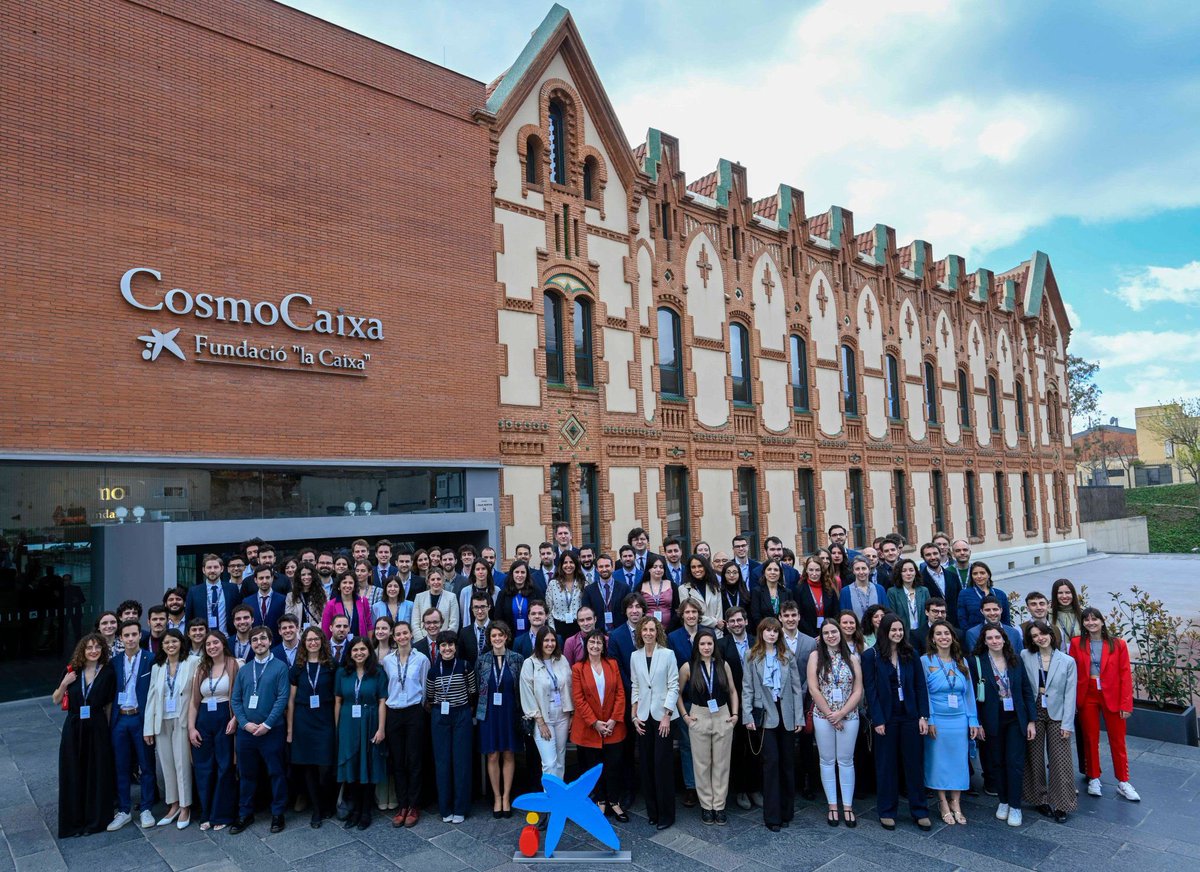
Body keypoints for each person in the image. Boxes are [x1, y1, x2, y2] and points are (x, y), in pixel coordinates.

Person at [862, 613, 930, 831]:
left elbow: (920, 686)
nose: (898, 633)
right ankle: (887, 811)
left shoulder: (911, 653)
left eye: (900, 630)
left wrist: (923, 716)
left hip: (910, 715)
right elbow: (870, 690)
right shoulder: (871, 656)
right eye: (893, 630)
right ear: (884, 631)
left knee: (914, 764)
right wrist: (877, 719)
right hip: (886, 717)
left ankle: (919, 810)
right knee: (886, 765)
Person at [741, 616, 805, 832]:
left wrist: (799, 718)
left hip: (786, 714)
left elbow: (796, 688)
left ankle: (786, 812)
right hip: (765, 714)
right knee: (771, 763)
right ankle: (772, 816)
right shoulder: (751, 655)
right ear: (761, 632)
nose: (771, 634)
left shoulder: (787, 655)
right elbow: (747, 687)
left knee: (787, 763)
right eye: (768, 630)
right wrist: (748, 716)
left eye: (775, 631)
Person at [970, 623, 1036, 826]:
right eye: (990, 638)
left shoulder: (1015, 660)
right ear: (984, 641)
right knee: (997, 762)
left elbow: (1026, 690)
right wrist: (978, 723)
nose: (994, 641)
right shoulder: (977, 662)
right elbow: (972, 695)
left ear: (1004, 639)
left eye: (997, 637)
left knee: (1014, 762)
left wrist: (1031, 720)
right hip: (992, 717)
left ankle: (1015, 806)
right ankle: (1004, 801)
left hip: (1016, 717)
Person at [1070, 607, 1139, 801]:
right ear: (1083, 623)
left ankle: (1123, 781)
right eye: (1087, 620)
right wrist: (1073, 701)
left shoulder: (1118, 644)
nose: (1091, 623)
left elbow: (1125, 675)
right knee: (1090, 738)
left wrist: (1126, 704)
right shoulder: (1076, 643)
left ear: (1102, 621)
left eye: (1095, 619)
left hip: (1113, 695)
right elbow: (1072, 672)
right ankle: (1093, 777)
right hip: (1087, 694)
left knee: (1118, 739)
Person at [54, 633, 116, 837]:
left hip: (97, 726)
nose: (93, 651)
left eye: (97, 647)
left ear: (102, 650)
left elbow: (108, 705)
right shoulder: (72, 671)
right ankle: (74, 823)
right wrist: (65, 683)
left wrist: (107, 731)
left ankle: (94, 821)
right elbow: (56, 699)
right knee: (73, 771)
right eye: (89, 647)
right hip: (74, 727)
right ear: (83, 650)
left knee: (95, 772)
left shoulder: (108, 672)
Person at [230, 625, 290, 834]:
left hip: (271, 731)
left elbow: (282, 698)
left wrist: (267, 724)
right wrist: (244, 723)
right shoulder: (245, 669)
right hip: (246, 732)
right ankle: (245, 813)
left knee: (276, 773)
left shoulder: (280, 667)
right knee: (246, 774)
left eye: (263, 639)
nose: (259, 643)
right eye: (254, 640)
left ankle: (278, 813)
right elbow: (236, 699)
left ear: (270, 641)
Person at [921, 620, 982, 826]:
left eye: (947, 633)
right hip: (938, 719)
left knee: (958, 762)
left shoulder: (961, 661)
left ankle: (956, 802)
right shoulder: (925, 661)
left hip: (959, 720)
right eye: (938, 634)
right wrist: (930, 719)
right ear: (932, 638)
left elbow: (969, 694)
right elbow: (924, 694)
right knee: (938, 762)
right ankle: (942, 802)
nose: (943, 637)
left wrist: (972, 720)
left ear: (953, 637)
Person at [676, 628, 739, 825]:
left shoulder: (723, 665)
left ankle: (719, 805)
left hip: (722, 715)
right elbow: (677, 693)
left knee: (721, 763)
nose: (706, 647)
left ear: (714, 645)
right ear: (697, 646)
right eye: (702, 644)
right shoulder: (688, 667)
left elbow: (732, 691)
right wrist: (685, 716)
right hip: (699, 715)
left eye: (709, 643)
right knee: (702, 764)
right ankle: (706, 806)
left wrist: (735, 715)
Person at [1020, 620, 1078, 822]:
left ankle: (1063, 804)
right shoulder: (1025, 656)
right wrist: (1027, 718)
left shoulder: (1067, 661)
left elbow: (1070, 694)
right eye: (1035, 636)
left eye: (1043, 634)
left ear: (1051, 635)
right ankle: (1040, 799)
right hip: (1034, 710)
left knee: (1061, 759)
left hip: (1058, 714)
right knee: (1034, 757)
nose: (1040, 638)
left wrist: (1067, 724)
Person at [808, 620, 863, 827]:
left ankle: (847, 806)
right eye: (826, 633)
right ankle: (832, 805)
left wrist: (841, 713)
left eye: (834, 632)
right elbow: (813, 688)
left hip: (848, 715)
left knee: (846, 760)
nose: (831, 636)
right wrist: (831, 714)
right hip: (824, 716)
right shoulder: (815, 657)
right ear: (821, 637)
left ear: (840, 633)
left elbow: (858, 690)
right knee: (827, 760)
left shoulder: (852, 657)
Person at [571, 628, 628, 821]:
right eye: (592, 642)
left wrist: (613, 719)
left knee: (614, 766)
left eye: (599, 643)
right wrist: (595, 723)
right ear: (586, 645)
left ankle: (614, 802)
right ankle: (600, 801)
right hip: (590, 728)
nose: (595, 646)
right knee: (594, 768)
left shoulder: (612, 664)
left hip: (613, 726)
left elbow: (620, 693)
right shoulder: (578, 668)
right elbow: (579, 699)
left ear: (604, 646)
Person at [631, 615, 679, 830]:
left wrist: (667, 714)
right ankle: (653, 812)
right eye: (645, 630)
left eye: (652, 629)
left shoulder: (667, 654)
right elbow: (635, 686)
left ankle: (666, 814)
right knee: (646, 765)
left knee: (662, 765)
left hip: (662, 718)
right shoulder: (635, 656)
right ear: (640, 633)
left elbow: (674, 685)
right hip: (643, 717)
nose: (648, 633)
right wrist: (634, 716)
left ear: (657, 631)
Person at [143, 628, 195, 828]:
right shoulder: (158, 667)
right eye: (166, 642)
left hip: (181, 720)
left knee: (182, 764)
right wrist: (148, 728)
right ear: (162, 646)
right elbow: (151, 697)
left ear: (181, 643)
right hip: (162, 720)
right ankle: (173, 804)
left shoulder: (192, 662)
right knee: (166, 764)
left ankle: (185, 806)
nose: (170, 645)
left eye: (174, 641)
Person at [334, 636, 387, 829]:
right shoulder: (342, 673)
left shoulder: (378, 672)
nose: (359, 653)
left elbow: (382, 701)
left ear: (369, 651)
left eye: (363, 649)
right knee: (352, 766)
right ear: (350, 653)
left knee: (368, 765)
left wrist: (381, 728)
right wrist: (337, 728)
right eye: (355, 650)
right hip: (348, 723)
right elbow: (338, 702)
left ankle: (366, 812)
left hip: (370, 721)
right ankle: (355, 810)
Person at [109, 620, 157, 831]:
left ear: (140, 635)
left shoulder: (151, 659)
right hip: (120, 718)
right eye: (126, 635)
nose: (130, 639)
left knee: (146, 765)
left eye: (133, 634)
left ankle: (146, 808)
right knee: (121, 765)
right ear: (120, 638)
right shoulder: (115, 662)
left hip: (140, 718)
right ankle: (124, 810)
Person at [287, 626, 337, 828]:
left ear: (322, 641)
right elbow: (291, 700)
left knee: (325, 769)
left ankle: (327, 802)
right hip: (303, 720)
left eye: (316, 639)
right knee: (308, 767)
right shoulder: (298, 667)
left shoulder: (331, 665)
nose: (313, 642)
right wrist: (290, 729)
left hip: (324, 720)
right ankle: (316, 810)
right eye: (309, 640)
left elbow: (337, 697)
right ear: (304, 643)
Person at [189, 631, 239, 831]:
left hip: (225, 718)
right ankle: (207, 813)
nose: (212, 647)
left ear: (223, 644)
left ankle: (222, 814)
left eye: (215, 642)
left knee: (225, 766)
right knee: (204, 768)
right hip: (203, 720)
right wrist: (191, 728)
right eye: (208, 644)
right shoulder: (202, 668)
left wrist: (235, 718)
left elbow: (240, 696)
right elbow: (194, 702)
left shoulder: (234, 664)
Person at [382, 621, 430, 828]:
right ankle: (402, 805)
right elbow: (387, 686)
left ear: (411, 635)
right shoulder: (387, 661)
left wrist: (419, 707)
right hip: (394, 712)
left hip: (413, 711)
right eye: (398, 634)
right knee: (398, 760)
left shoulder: (422, 659)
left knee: (414, 759)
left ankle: (414, 805)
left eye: (405, 633)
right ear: (393, 638)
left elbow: (425, 686)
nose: (402, 637)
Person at [426, 631, 477, 824]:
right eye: (443, 645)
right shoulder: (433, 671)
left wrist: (466, 711)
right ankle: (445, 808)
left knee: (461, 761)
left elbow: (473, 692)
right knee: (442, 762)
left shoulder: (465, 666)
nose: (447, 649)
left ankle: (460, 807)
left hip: (461, 715)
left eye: (450, 645)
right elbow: (430, 696)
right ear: (439, 648)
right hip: (440, 716)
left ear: (455, 647)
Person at [475, 622, 524, 818]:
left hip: (510, 712)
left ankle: (506, 797)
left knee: (509, 754)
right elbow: (477, 687)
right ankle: (496, 797)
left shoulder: (517, 659)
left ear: (506, 637)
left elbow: (521, 687)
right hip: (489, 713)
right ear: (489, 638)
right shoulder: (482, 660)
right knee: (493, 755)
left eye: (500, 635)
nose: (497, 639)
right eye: (493, 635)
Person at [717, 606, 760, 810]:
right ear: (727, 624)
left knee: (756, 746)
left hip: (756, 702)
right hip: (732, 702)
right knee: (737, 747)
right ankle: (741, 790)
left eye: (739, 620)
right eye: (732, 621)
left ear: (746, 621)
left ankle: (755, 788)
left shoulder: (756, 641)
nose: (736, 624)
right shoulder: (721, 645)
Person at [521, 626, 574, 780]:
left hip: (562, 715)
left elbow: (570, 686)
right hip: (543, 717)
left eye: (552, 640)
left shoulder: (562, 660)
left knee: (560, 760)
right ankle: (550, 795)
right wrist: (540, 722)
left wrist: (572, 714)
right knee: (549, 763)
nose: (550, 644)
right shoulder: (529, 663)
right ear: (539, 642)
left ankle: (559, 794)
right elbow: (527, 694)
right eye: (546, 640)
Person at [608, 592, 645, 811]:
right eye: (630, 607)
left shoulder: (652, 630)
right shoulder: (616, 635)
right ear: (625, 611)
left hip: (650, 698)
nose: (634, 610)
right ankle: (629, 788)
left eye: (638, 606)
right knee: (627, 747)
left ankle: (650, 786)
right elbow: (615, 666)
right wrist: (633, 690)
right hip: (626, 698)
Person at [667, 599, 704, 807]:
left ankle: (706, 785)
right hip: (686, 698)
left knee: (706, 745)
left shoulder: (707, 633)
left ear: (699, 614)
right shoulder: (673, 638)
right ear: (682, 615)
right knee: (687, 744)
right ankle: (691, 786)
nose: (691, 615)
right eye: (687, 612)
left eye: (694, 612)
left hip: (707, 699)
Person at [186, 553, 240, 635]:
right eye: (209, 567)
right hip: (203, 638)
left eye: (216, 567)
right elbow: (189, 619)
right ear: (203, 570)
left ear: (222, 569)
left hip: (227, 637)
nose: (212, 571)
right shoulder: (194, 591)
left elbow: (238, 613)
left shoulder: (232, 589)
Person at [582, 553, 629, 633]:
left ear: (612, 567)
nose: (604, 569)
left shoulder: (624, 588)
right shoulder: (589, 590)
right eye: (601, 567)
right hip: (597, 633)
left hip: (620, 631)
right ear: (597, 569)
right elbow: (586, 614)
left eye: (607, 566)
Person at [957, 561, 1010, 632]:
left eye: (982, 573)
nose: (979, 576)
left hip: (998, 634)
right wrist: (970, 634)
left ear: (988, 575)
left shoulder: (1000, 594)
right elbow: (962, 619)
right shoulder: (964, 594)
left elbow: (1006, 619)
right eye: (975, 574)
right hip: (975, 634)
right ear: (971, 576)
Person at [796, 555, 841, 637]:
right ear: (806, 570)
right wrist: (812, 635)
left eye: (817, 570)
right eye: (811, 570)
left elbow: (836, 613)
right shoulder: (799, 589)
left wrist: (826, 632)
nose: (814, 574)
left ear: (822, 571)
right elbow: (799, 616)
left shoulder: (829, 588)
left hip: (829, 634)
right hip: (808, 635)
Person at [321, 570, 372, 641]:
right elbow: (326, 629)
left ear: (354, 586)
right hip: (339, 644)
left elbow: (369, 625)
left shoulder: (363, 601)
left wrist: (370, 643)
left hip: (360, 643)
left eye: (350, 583)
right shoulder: (331, 605)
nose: (347, 585)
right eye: (344, 582)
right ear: (339, 586)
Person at [545, 551, 585, 639]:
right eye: (565, 562)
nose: (568, 565)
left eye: (571, 562)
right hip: (559, 627)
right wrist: (552, 630)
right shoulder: (553, 584)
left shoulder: (583, 583)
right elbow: (549, 609)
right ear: (561, 565)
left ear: (576, 564)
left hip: (578, 626)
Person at [412, 568, 460, 639]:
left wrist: (445, 640)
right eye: (432, 579)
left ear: (443, 580)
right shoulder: (419, 597)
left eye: (438, 579)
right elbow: (415, 623)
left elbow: (454, 623)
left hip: (444, 641)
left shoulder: (451, 597)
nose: (436, 582)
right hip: (423, 640)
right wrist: (422, 641)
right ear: (428, 582)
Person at [887, 558, 929, 638]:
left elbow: (928, 613)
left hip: (922, 634)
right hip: (903, 634)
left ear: (916, 572)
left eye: (911, 570)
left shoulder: (924, 591)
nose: (908, 573)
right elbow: (892, 615)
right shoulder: (892, 592)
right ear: (899, 573)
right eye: (904, 571)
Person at [679, 554, 723, 630]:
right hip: (695, 632)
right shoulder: (683, 589)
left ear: (705, 567)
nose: (697, 570)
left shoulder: (715, 587)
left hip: (716, 632)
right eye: (693, 567)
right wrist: (714, 622)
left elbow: (719, 614)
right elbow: (688, 615)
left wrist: (718, 626)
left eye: (700, 566)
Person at [638, 555, 678, 633]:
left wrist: (669, 630)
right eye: (655, 567)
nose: (658, 569)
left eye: (661, 567)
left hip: (670, 630)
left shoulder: (672, 586)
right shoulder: (640, 587)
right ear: (649, 569)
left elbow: (677, 610)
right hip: (647, 631)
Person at [495, 560, 536, 635]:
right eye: (517, 572)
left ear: (527, 575)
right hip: (509, 636)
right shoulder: (503, 594)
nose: (519, 575)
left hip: (531, 636)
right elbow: (498, 617)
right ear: (512, 574)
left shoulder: (535, 592)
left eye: (523, 572)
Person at [840, 556, 886, 620]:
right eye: (857, 569)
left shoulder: (880, 589)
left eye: (864, 568)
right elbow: (843, 615)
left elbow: (886, 613)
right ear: (853, 571)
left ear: (869, 570)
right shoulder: (845, 591)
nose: (861, 572)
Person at [749, 558, 788, 631]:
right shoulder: (757, 592)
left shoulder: (787, 592)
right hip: (764, 632)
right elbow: (756, 616)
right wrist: (769, 631)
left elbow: (789, 614)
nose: (772, 572)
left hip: (783, 632)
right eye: (769, 569)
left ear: (780, 573)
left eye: (776, 570)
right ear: (764, 572)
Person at [286, 562, 327, 630]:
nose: (306, 577)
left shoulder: (322, 593)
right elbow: (288, 618)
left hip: (317, 631)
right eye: (303, 575)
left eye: (309, 574)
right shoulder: (290, 596)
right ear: (299, 577)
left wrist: (317, 630)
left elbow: (325, 616)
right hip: (298, 632)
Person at [1050, 578, 1083, 653]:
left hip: (1079, 656)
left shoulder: (1082, 615)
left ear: (1073, 594)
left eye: (1067, 592)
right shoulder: (1048, 615)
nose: (1064, 596)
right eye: (1060, 593)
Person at [719, 561, 751, 629]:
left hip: (744, 628)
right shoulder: (719, 592)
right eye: (728, 572)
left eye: (735, 572)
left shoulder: (744, 591)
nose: (731, 575)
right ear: (724, 575)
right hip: (725, 629)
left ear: (739, 574)